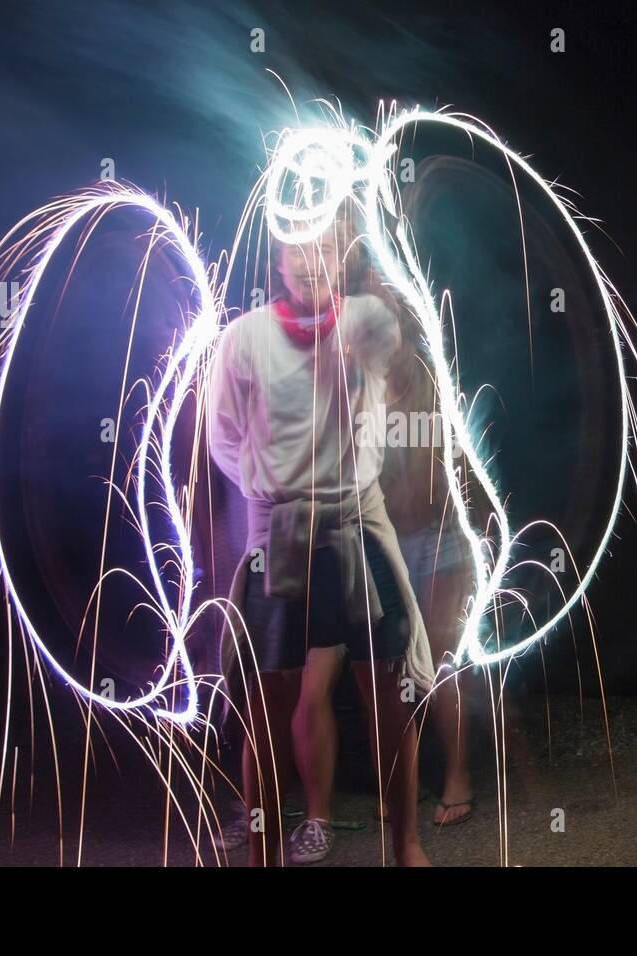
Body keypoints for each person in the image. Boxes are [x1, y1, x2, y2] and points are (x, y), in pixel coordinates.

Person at [206, 210, 433, 866]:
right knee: (267, 704)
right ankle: (262, 854)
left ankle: (407, 842)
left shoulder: (368, 320)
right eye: (298, 249)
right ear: (278, 259)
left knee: (389, 692)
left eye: (326, 247)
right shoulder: (242, 338)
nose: (311, 260)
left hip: (357, 524)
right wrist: (269, 489)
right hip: (278, 533)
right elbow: (222, 433)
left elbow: (391, 352)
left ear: (342, 256)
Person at [380, 323, 476, 826]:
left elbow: (465, 469)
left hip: (438, 542)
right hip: (384, 544)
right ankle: (405, 784)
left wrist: (469, 539)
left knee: (441, 661)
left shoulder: (433, 385)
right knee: (392, 668)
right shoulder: (357, 389)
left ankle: (458, 775)